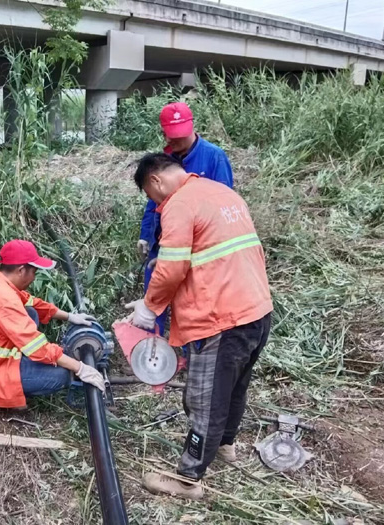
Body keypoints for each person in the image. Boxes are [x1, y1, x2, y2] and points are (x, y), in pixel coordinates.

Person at [127, 154, 272, 500]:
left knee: (204, 399)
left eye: (152, 195)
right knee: (234, 387)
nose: (156, 203)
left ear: (155, 181)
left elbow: (172, 267)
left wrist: (149, 307)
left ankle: (189, 478)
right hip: (257, 310)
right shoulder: (223, 195)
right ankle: (225, 447)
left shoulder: (179, 204)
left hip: (221, 317)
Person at [0, 239, 106, 409]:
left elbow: (33, 303)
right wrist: (80, 368)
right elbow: (38, 348)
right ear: (21, 270)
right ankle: (6, 397)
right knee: (62, 374)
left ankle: (20, 369)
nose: (34, 277)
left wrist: (70, 316)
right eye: (34, 272)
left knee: (31, 312)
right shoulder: (6, 301)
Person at [138, 102, 233, 335]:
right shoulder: (165, 159)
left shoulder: (213, 157)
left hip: (196, 243)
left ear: (192, 127)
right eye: (172, 137)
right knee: (155, 289)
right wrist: (145, 235)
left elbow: (222, 202)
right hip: (165, 239)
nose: (177, 141)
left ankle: (191, 348)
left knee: (190, 295)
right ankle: (154, 348)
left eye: (181, 136)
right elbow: (154, 201)